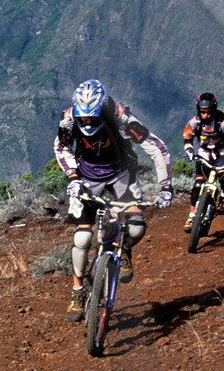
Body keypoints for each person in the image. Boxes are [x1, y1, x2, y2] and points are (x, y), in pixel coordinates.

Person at [54, 78, 173, 321]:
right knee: (83, 236)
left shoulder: (122, 119)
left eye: (92, 117)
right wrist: (73, 177)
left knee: (136, 227)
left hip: (121, 174)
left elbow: (156, 148)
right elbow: (61, 147)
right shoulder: (69, 121)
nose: (86, 122)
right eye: (82, 117)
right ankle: (77, 290)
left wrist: (166, 187)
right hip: (86, 176)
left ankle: (125, 249)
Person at [181, 91, 224, 232]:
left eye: (208, 112)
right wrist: (188, 149)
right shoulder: (195, 122)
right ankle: (191, 215)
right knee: (197, 184)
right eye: (202, 112)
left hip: (222, 154)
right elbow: (187, 136)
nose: (205, 115)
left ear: (213, 110)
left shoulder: (223, 124)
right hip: (204, 153)